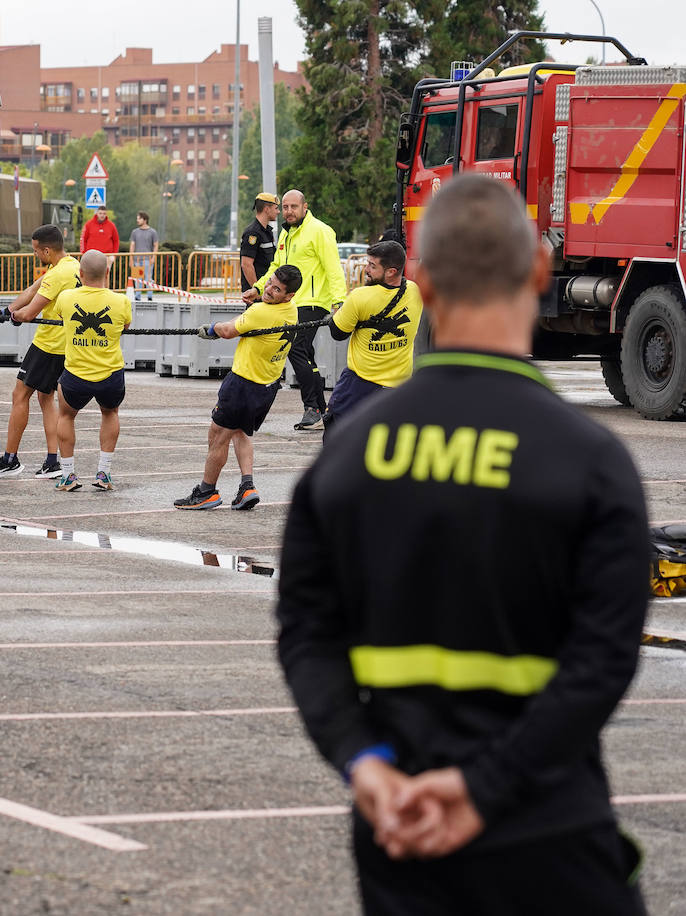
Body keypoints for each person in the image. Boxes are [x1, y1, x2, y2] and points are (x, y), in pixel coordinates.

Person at [276, 174, 649, 915]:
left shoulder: (345, 460)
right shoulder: (591, 463)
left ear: (422, 282)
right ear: (540, 273)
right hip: (548, 825)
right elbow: (602, 660)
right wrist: (487, 788)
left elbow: (305, 636)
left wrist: (365, 762)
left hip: (397, 828)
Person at [174, 265, 302, 511]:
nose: (269, 290)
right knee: (241, 432)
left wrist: (212, 328)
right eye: (270, 283)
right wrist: (258, 296)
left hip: (243, 383)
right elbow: (248, 322)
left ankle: (206, 491)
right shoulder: (291, 311)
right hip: (267, 386)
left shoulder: (261, 312)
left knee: (218, 435)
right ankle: (247, 486)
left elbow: (229, 331)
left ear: (289, 295)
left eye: (277, 289)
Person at [0, 224, 80, 479]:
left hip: (50, 345)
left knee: (20, 395)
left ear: (47, 250)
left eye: (37, 251)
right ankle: (52, 461)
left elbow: (30, 312)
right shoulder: (71, 266)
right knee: (45, 397)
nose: (36, 255)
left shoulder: (56, 275)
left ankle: (10, 459)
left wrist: (16, 316)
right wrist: (6, 310)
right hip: (68, 344)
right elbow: (32, 291)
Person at [243, 189, 345, 431]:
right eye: (285, 207)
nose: (288, 211)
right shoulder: (286, 235)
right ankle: (322, 411)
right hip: (291, 303)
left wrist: (339, 302)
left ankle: (313, 407)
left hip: (313, 301)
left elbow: (334, 268)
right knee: (304, 354)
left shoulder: (320, 231)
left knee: (296, 348)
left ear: (305, 207)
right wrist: (257, 288)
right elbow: (276, 268)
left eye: (293, 207)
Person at [321, 240, 423, 437]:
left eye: (372, 266)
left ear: (391, 271)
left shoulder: (360, 297)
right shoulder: (414, 291)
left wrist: (339, 313)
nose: (366, 269)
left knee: (337, 436)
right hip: (399, 387)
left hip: (360, 384)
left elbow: (338, 333)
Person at [50, 250, 132, 491]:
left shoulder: (66, 298)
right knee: (110, 413)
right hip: (110, 374)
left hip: (75, 375)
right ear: (107, 272)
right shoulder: (121, 301)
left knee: (66, 416)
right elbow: (125, 325)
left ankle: (67, 475)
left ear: (81, 273)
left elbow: (60, 314)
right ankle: (104, 473)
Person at [239, 192, 279, 292]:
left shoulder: (267, 231)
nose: (278, 212)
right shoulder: (252, 233)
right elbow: (246, 264)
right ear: (267, 209)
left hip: (266, 290)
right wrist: (256, 291)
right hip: (258, 294)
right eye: (276, 208)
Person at [129, 210, 159, 302]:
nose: (137, 220)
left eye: (139, 219)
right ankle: (138, 296)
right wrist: (131, 258)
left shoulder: (152, 232)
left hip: (148, 259)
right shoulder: (135, 232)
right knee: (138, 278)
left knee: (148, 278)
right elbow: (132, 245)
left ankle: (149, 296)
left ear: (145, 220)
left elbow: (156, 245)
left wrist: (154, 257)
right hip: (137, 259)